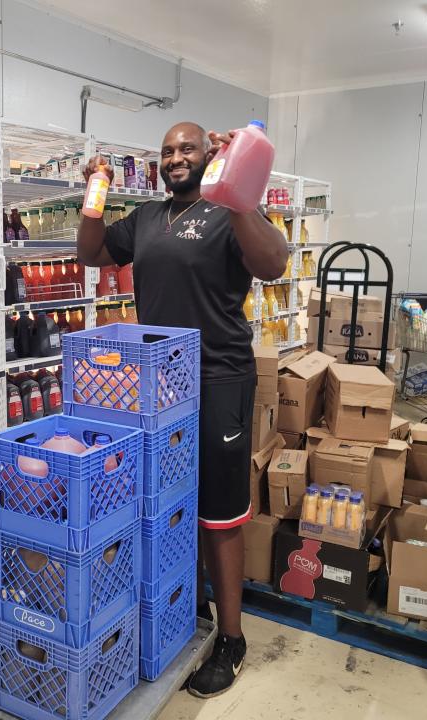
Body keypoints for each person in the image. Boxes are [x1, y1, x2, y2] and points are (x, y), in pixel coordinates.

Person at [77, 121, 288, 698]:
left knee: (219, 511)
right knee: (167, 497)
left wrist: (238, 191)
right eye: (167, 150)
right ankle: (183, 605)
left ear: (207, 155)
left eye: (186, 148)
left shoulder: (227, 212)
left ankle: (232, 638)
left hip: (219, 376)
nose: (175, 158)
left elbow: (273, 264)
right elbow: (91, 251)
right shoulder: (146, 218)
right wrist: (94, 193)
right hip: (160, 381)